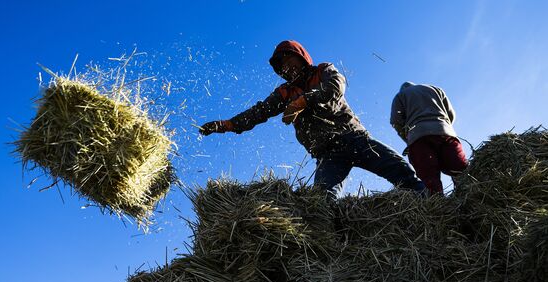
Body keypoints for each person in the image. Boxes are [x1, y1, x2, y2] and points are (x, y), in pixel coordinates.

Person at [199, 40, 425, 197]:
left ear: (301, 57)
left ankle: (430, 203)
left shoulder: (323, 71)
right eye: (282, 67)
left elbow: (336, 87)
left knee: (399, 169)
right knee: (322, 201)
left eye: (289, 62)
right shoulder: (284, 93)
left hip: (354, 138)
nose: (286, 69)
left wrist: (304, 102)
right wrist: (228, 124)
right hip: (328, 153)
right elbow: (259, 112)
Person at [390, 82, 468, 194]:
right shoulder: (435, 89)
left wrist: (408, 138)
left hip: (418, 138)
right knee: (460, 170)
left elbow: (396, 122)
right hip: (445, 133)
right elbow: (451, 114)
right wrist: (443, 126)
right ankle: (468, 197)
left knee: (430, 180)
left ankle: (439, 205)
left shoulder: (400, 96)